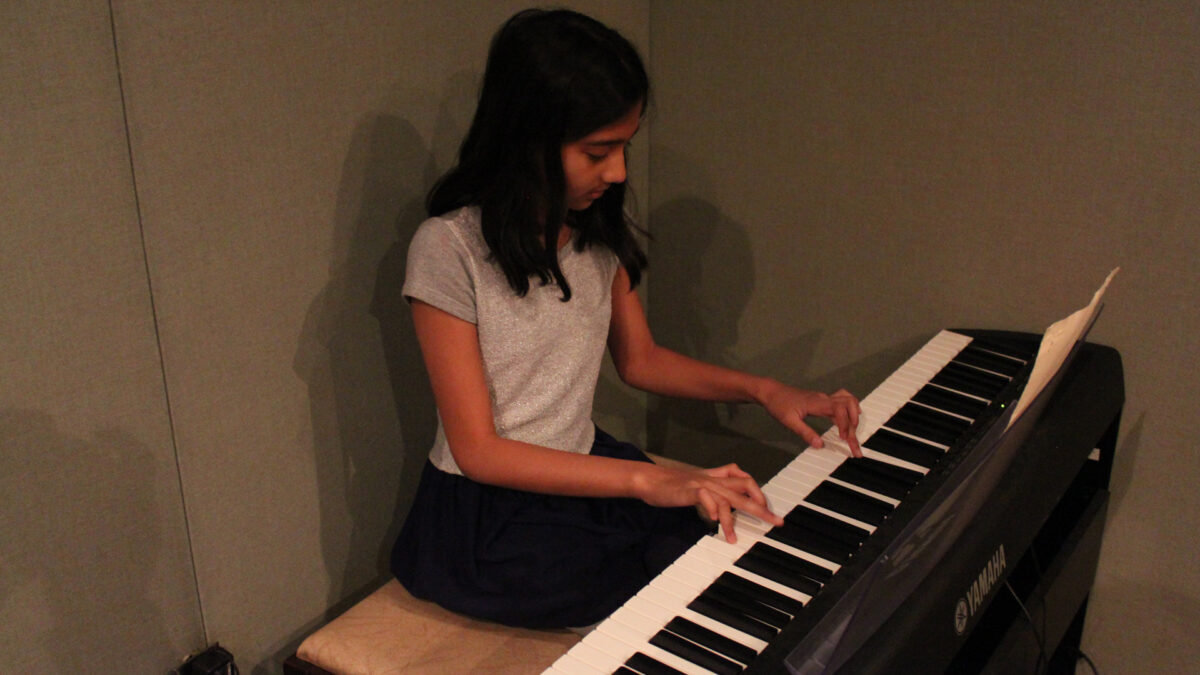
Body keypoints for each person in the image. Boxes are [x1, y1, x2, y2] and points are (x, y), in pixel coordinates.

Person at [390, 8, 861, 630]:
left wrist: (764, 389)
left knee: (727, 531)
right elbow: (478, 452)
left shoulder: (593, 233)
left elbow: (640, 360)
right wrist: (652, 480)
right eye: (598, 151)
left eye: (624, 148)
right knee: (671, 578)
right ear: (526, 137)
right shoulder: (447, 248)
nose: (617, 173)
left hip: (581, 469)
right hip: (488, 515)